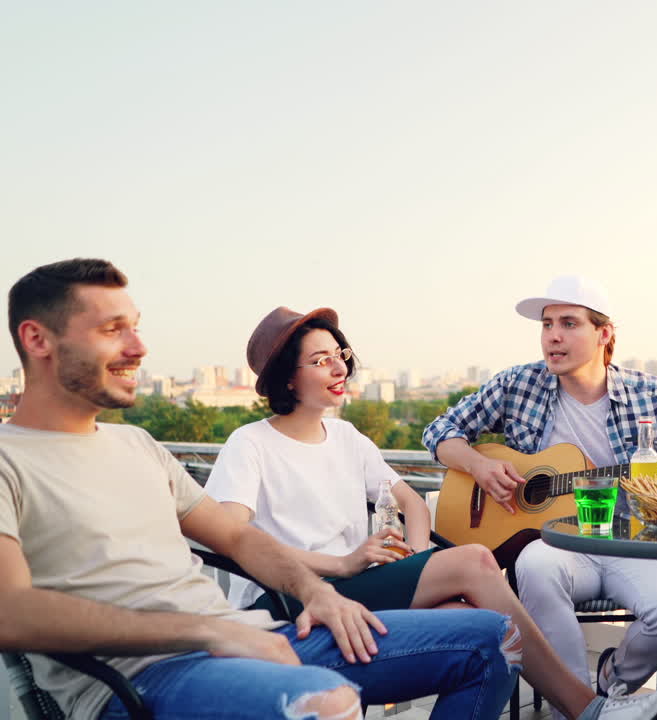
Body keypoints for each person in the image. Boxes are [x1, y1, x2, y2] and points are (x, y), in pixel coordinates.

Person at [0, 259, 518, 720]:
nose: (139, 348)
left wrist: (321, 593)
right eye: (114, 330)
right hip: (141, 676)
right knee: (325, 701)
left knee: (497, 641)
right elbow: (12, 612)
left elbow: (236, 536)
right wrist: (206, 630)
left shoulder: (138, 445)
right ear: (37, 339)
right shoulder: (9, 460)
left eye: (135, 328)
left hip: (251, 637)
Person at [205, 305, 657, 720]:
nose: (337, 366)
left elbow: (410, 501)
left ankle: (589, 708)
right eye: (319, 359)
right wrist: (341, 564)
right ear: (288, 378)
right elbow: (233, 536)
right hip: (290, 601)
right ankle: (591, 709)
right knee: (473, 560)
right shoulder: (251, 443)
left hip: (353, 591)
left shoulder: (348, 440)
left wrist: (414, 556)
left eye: (339, 355)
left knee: (492, 635)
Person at [422, 275, 657, 717]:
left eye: (569, 324)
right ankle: (571, 709)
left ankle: (608, 684)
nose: (553, 336)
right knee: (535, 565)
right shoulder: (518, 384)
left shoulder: (652, 394)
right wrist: (480, 465)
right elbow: (438, 432)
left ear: (604, 333)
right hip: (555, 544)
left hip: (633, 542)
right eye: (547, 324)